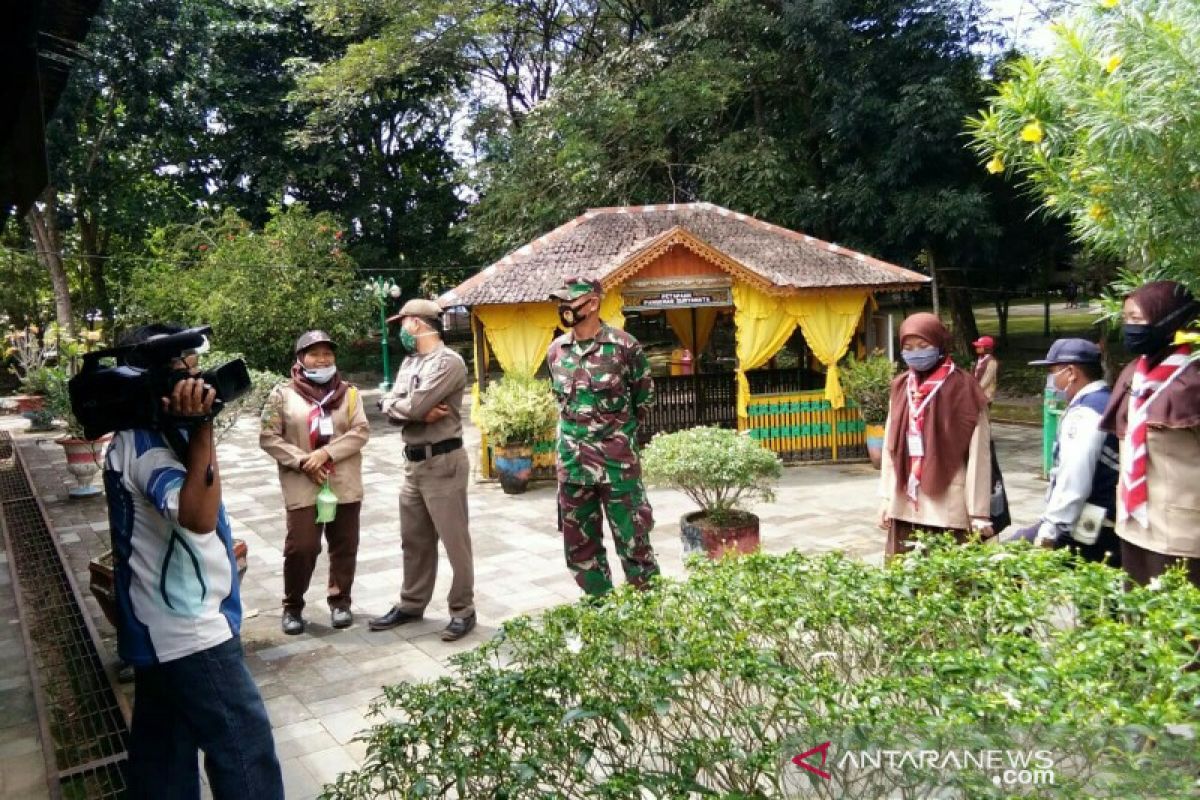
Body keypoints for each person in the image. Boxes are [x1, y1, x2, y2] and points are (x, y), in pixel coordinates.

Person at [101, 324, 283, 799]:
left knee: (164, 759)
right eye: (190, 375)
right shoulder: (146, 447)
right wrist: (204, 427)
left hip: (162, 629)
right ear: (159, 384)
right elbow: (198, 517)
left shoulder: (148, 436)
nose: (202, 387)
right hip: (190, 632)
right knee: (245, 750)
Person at [368, 299, 476, 641]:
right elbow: (392, 403)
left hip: (443, 462)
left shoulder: (449, 362)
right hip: (413, 463)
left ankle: (463, 610)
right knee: (413, 540)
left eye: (404, 323)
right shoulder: (411, 361)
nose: (401, 330)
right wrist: (402, 407)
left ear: (417, 323)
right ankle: (412, 603)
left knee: (454, 540)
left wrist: (404, 407)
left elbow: (414, 404)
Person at [546, 277, 660, 596]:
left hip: (617, 468)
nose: (564, 308)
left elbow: (644, 400)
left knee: (636, 547)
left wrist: (615, 439)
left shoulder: (624, 347)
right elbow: (561, 405)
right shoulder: (556, 351)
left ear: (593, 303)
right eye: (562, 302)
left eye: (570, 302)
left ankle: (648, 620)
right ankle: (602, 614)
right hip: (573, 468)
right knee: (580, 552)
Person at [260, 330, 369, 635]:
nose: (322, 360)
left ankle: (341, 601)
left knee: (345, 544)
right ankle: (292, 606)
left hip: (342, 481)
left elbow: (360, 432)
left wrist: (325, 454)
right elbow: (268, 437)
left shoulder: (349, 394)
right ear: (300, 359)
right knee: (302, 547)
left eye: (327, 354)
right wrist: (303, 461)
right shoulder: (281, 395)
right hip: (303, 482)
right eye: (315, 354)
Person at [1099, 281, 1200, 587]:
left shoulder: (1193, 377)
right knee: (1136, 621)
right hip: (1132, 523)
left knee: (1178, 627)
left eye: (1138, 320)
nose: (1130, 327)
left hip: (1181, 531)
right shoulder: (1134, 374)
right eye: (1126, 319)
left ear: (1167, 319)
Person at [879, 313, 994, 556]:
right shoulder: (900, 386)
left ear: (940, 345)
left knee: (949, 581)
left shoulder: (964, 387)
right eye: (908, 347)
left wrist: (978, 512)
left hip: (948, 504)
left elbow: (979, 454)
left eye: (923, 346)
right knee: (904, 584)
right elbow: (891, 445)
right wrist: (886, 498)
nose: (915, 353)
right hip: (905, 503)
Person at [1009, 339, 1121, 565]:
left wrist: (1051, 529)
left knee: (1009, 558)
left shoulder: (1086, 413)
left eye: (1053, 372)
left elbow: (1074, 477)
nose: (1051, 380)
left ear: (1071, 372)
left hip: (1086, 527)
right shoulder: (1105, 401)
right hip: (1102, 523)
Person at [971, 335, 999, 403]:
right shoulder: (980, 359)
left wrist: (977, 389)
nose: (977, 348)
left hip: (986, 393)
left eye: (979, 347)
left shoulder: (991, 361)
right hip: (977, 392)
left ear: (987, 348)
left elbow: (987, 378)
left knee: (983, 412)